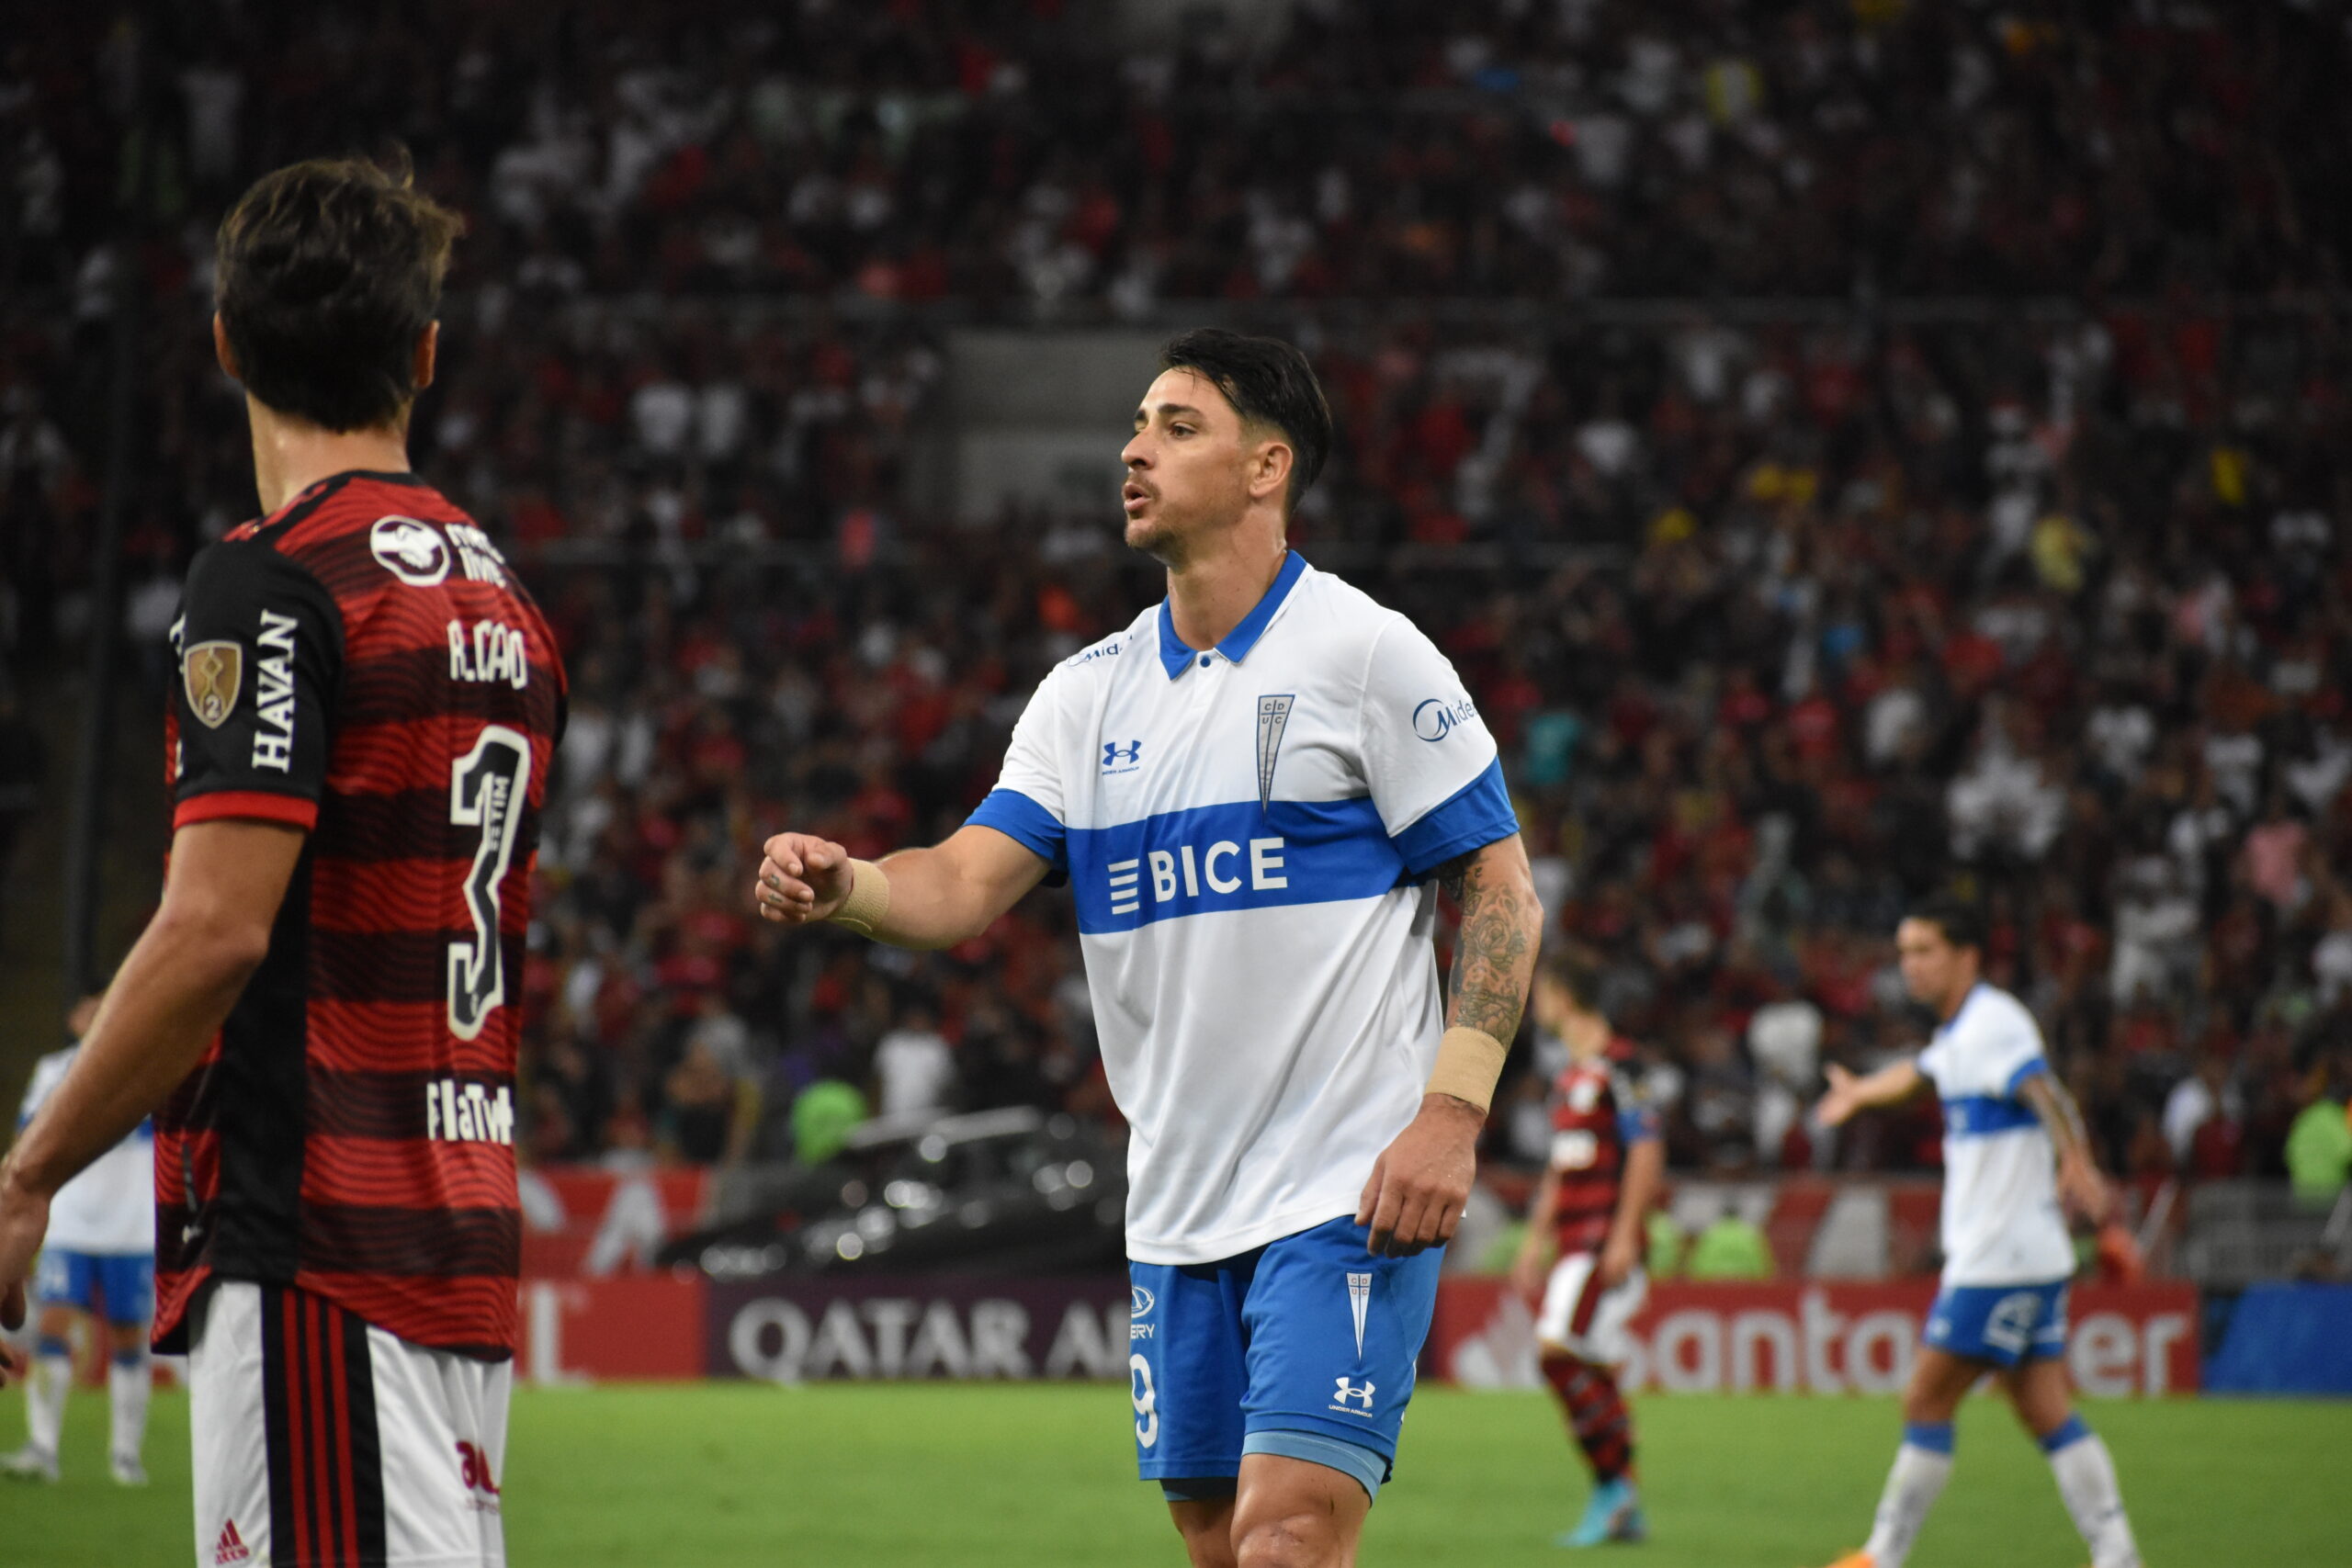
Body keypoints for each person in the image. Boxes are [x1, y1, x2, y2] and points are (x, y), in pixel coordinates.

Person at [753, 328, 1540, 1568]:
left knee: (1288, 1537)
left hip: (1343, 1188)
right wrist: (849, 884)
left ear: (1267, 466)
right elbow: (961, 883)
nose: (1133, 450)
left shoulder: (1365, 654)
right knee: (1219, 1545)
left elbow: (1499, 889)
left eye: (1177, 427)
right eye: (1135, 425)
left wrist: (1452, 1113)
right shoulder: (1087, 694)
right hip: (1175, 1207)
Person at [0, 153, 565, 1568]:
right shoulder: (504, 596)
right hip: (459, 1227)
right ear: (424, 352)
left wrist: (28, 1174)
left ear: (226, 344)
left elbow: (215, 929)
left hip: (315, 1237)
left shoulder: (271, 581)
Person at [1811, 897, 2142, 1568]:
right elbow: (1919, 1075)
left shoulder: (1996, 1023)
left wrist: (2076, 1159)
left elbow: (2044, 1090)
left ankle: (1883, 1555)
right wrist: (1861, 1092)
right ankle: (2117, 1554)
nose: (1910, 965)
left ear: (1967, 956)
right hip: (2025, 1252)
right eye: (1903, 952)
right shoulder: (1961, 1034)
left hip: (2000, 1256)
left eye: (1924, 950)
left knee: (1925, 1398)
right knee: (2045, 1408)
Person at [1510, 955, 1664, 1549]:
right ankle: (1621, 1493)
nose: (1536, 1005)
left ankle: (1614, 1487)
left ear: (1564, 995)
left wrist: (1626, 1232)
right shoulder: (1570, 1077)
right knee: (1580, 1359)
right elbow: (1561, 1168)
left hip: (1601, 1238)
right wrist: (1535, 1238)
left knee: (1557, 1350)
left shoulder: (1623, 1066)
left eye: (1541, 993)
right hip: (1574, 1239)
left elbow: (1646, 1150)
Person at [3, 992, 154, 1486]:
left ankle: (125, 1456)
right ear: (74, 1018)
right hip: (68, 1222)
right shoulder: (54, 1071)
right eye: (89, 1009)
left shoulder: (148, 1063)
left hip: (130, 1226)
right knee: (53, 1326)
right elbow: (28, 1140)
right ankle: (43, 1448)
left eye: (106, 1005)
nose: (97, 1016)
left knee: (128, 1335)